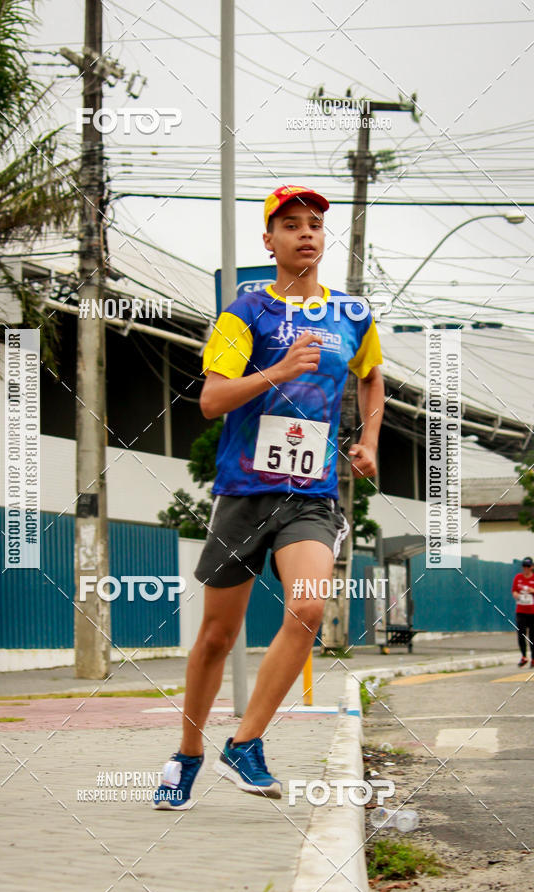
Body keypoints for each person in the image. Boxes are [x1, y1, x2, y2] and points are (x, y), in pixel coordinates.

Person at [154, 184, 384, 810]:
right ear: (269, 241)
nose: (306, 233)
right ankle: (188, 753)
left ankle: (245, 743)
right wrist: (279, 371)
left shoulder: (351, 316)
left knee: (307, 608)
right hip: (243, 492)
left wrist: (368, 440)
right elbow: (211, 400)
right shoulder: (245, 313)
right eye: (291, 224)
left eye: (314, 224)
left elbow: (372, 377)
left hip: (311, 496)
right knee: (216, 636)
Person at [512, 556, 534, 667]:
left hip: (532, 612)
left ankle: (533, 658)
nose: (526, 568)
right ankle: (524, 656)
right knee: (521, 634)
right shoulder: (518, 577)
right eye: (524, 566)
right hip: (521, 611)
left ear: (532, 567)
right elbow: (514, 591)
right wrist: (516, 595)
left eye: (528, 566)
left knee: (532, 636)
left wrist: (532, 591)